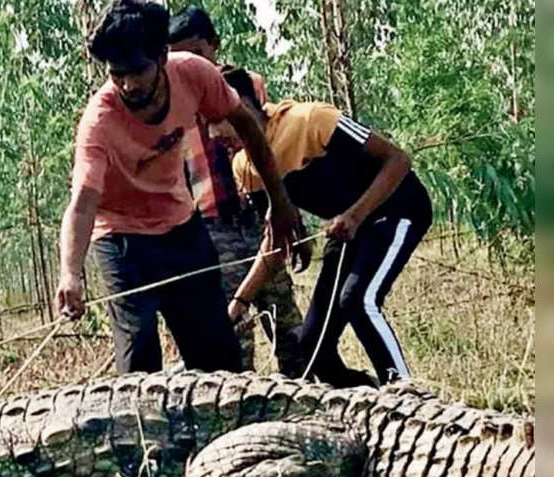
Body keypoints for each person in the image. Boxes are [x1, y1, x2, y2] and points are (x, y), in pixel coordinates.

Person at [54, 0, 299, 374]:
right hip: (121, 238)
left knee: (218, 354)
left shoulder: (196, 75)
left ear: (163, 56)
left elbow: (247, 125)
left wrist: (280, 204)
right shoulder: (98, 123)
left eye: (137, 71)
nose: (127, 84)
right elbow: (84, 202)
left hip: (182, 226)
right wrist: (70, 273)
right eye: (116, 74)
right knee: (138, 357)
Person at [218, 66, 433, 387]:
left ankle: (407, 394)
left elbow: (398, 160)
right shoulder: (244, 168)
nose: (211, 136)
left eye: (215, 124)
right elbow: (276, 242)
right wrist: (240, 302)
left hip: (397, 208)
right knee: (312, 348)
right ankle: (369, 399)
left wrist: (356, 215)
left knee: (358, 300)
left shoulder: (313, 120)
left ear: (243, 111)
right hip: (349, 231)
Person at [167, 5, 309, 376]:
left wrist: (289, 210)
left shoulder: (249, 85)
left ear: (214, 45)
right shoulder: (171, 103)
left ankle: (304, 401)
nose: (189, 63)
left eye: (196, 53)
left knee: (288, 324)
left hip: (261, 216)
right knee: (232, 331)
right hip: (213, 227)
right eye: (177, 56)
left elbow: (273, 147)